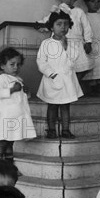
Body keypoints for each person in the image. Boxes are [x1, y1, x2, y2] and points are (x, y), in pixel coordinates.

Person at [36, 9, 83, 139]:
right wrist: (51, 74)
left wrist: (66, 46)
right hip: (52, 79)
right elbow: (41, 61)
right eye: (59, 24)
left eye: (66, 24)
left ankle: (66, 130)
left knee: (65, 106)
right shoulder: (46, 43)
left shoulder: (71, 44)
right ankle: (51, 129)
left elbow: (73, 59)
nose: (63, 27)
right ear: (51, 27)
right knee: (52, 105)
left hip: (67, 79)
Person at [36, 0, 93, 82]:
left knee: (84, 65)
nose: (68, 0)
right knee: (63, 65)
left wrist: (88, 41)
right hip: (61, 42)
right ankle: (64, 85)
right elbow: (49, 21)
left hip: (78, 43)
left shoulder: (79, 11)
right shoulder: (57, 11)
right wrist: (40, 25)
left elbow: (87, 27)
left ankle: (75, 85)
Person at [0, 47, 36, 162]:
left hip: (18, 115)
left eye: (18, 64)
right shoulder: (1, 79)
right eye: (12, 64)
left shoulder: (19, 79)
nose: (16, 67)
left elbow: (22, 98)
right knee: (3, 141)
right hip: (7, 116)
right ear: (2, 66)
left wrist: (26, 92)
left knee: (11, 142)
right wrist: (11, 90)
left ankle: (9, 165)